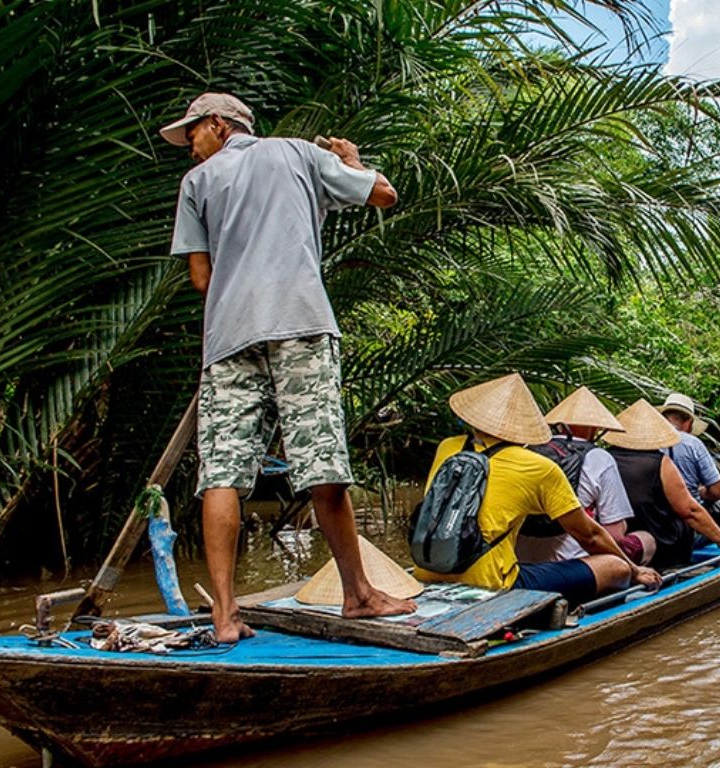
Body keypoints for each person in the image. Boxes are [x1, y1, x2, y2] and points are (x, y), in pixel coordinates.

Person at [162, 92, 413, 642]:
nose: (190, 148)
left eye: (192, 136)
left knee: (222, 471)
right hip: (298, 321)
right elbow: (383, 194)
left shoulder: (197, 185)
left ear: (218, 125)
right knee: (321, 457)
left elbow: (201, 281)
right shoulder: (297, 154)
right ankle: (359, 595)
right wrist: (349, 159)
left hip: (228, 336)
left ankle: (225, 615)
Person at [416, 374, 661, 605]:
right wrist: (635, 569)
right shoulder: (537, 467)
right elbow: (590, 536)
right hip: (495, 583)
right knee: (615, 566)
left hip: (428, 568)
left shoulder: (448, 448)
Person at [516, 387, 656, 567]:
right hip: (574, 563)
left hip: (521, 562)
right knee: (646, 539)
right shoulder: (599, 457)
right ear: (595, 426)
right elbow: (615, 535)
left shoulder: (527, 450)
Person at [605, 399, 720, 569]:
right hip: (665, 543)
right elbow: (689, 510)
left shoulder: (604, 458)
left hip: (625, 536)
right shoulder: (660, 462)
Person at [658, 393, 720, 548]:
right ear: (688, 422)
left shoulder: (647, 441)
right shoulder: (692, 444)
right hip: (686, 522)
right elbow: (718, 491)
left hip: (655, 518)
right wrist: (701, 493)